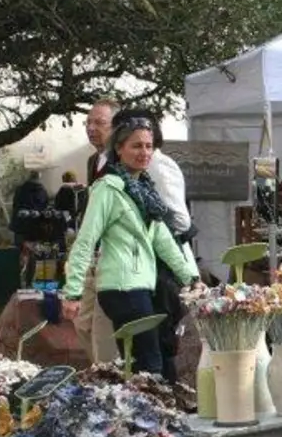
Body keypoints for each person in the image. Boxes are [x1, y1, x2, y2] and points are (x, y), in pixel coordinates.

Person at [60, 114, 196, 380]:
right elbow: (86, 240)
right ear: (119, 149)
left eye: (148, 146)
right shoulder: (108, 189)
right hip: (121, 287)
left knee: (142, 360)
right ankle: (152, 417)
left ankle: (138, 415)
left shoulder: (143, 189)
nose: (144, 152)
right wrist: (73, 292)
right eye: (136, 146)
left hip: (140, 285)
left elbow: (163, 240)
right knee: (150, 363)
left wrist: (189, 276)